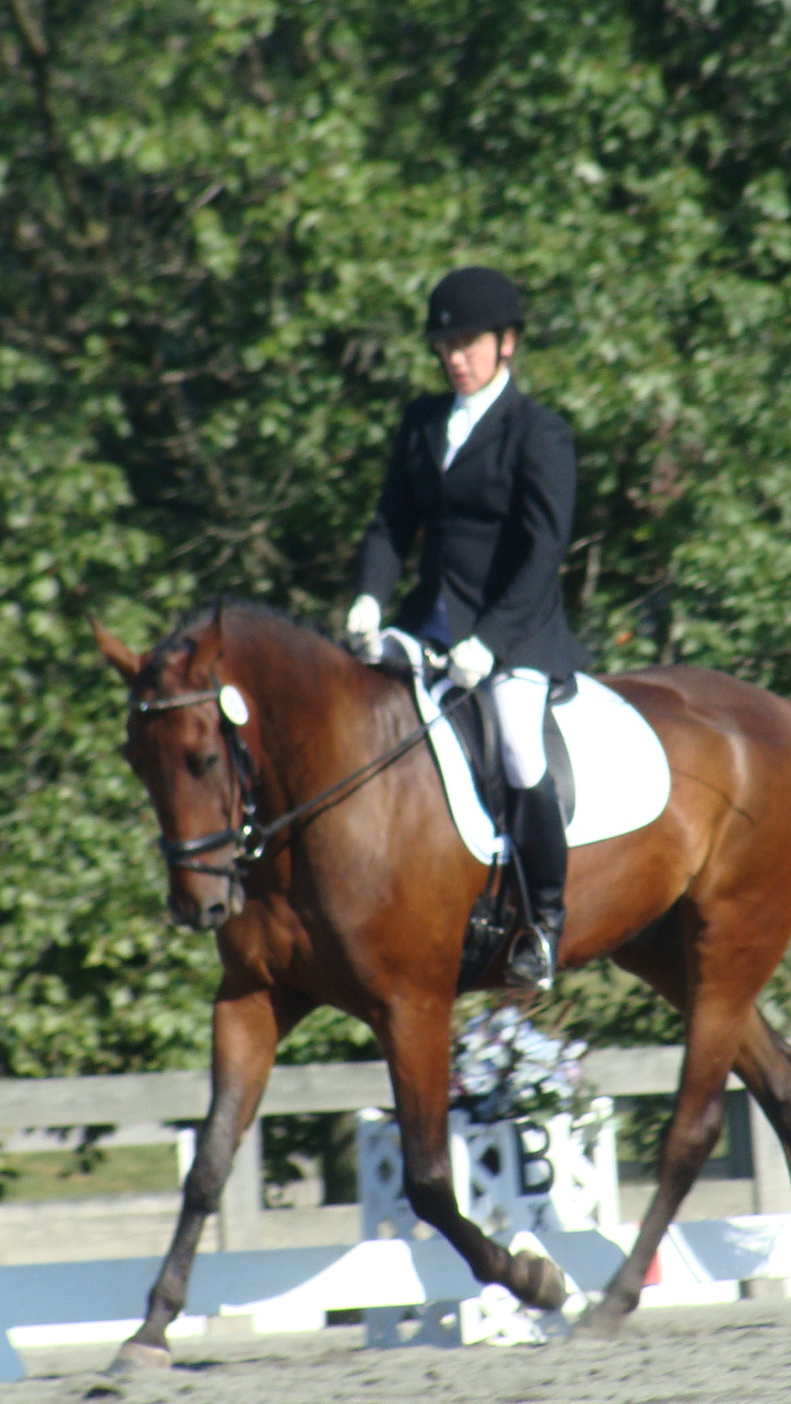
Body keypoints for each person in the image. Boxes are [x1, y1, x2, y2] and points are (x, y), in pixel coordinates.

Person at [343, 266, 590, 990]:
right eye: (445, 346)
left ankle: (544, 923)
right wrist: (369, 598)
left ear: (506, 343)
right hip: (429, 624)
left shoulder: (538, 432)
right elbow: (391, 523)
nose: (455, 358)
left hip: (514, 633)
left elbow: (544, 551)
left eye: (468, 344)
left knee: (517, 749)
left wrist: (492, 641)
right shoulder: (423, 423)